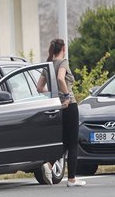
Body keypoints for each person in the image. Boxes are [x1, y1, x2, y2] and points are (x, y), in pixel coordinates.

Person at [36, 38, 86, 187]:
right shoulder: (63, 62)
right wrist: (65, 96)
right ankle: (72, 179)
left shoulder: (48, 65)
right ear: (63, 48)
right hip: (69, 105)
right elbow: (60, 78)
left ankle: (49, 165)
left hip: (56, 106)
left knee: (65, 141)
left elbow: (39, 87)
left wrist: (54, 95)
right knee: (73, 143)